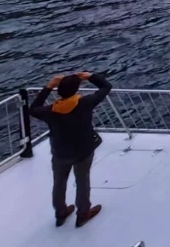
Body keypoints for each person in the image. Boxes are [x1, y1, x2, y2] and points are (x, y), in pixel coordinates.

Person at [29, 71, 112, 228]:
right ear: (76, 90)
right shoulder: (85, 103)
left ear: (59, 91)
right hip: (83, 151)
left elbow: (33, 109)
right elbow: (106, 86)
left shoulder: (50, 111)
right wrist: (91, 76)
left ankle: (60, 213)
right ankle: (83, 214)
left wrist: (49, 86)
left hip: (60, 153)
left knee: (59, 182)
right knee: (82, 181)